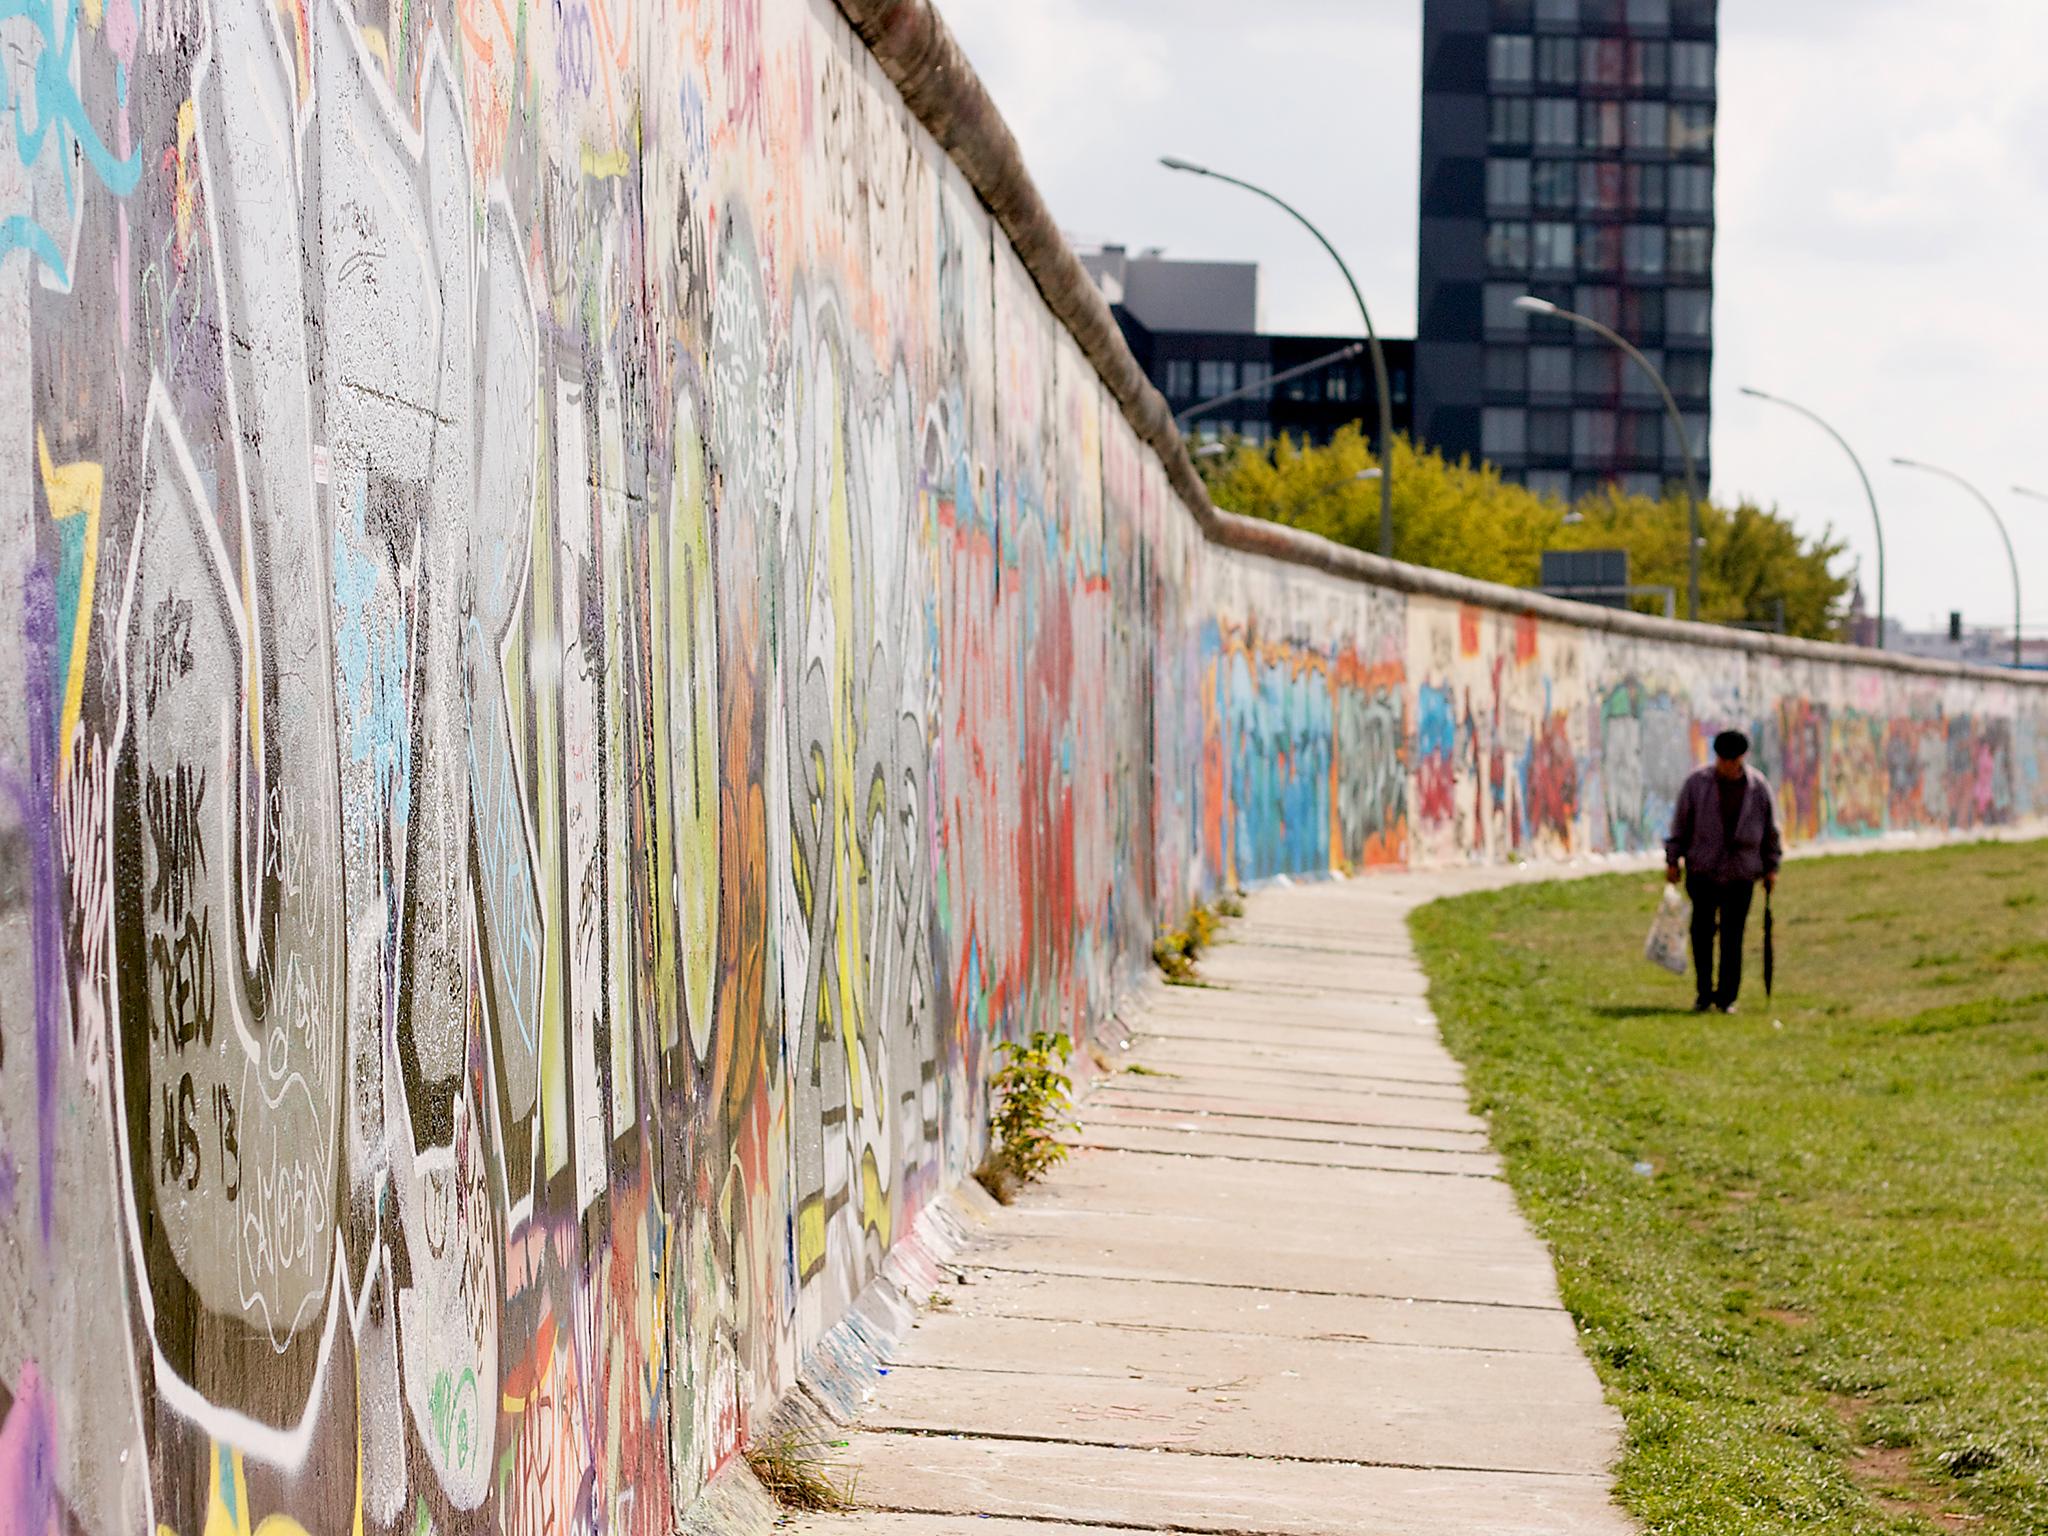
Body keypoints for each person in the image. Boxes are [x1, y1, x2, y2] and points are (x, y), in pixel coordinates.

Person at [1664, 729, 1782, 1014]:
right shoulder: (1696, 784)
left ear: (1741, 758)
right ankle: (1704, 993)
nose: (1727, 765)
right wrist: (1672, 860)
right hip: (1703, 870)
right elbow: (1681, 824)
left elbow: (1770, 831)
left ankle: (1727, 997)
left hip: (1741, 874)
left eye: (1732, 760)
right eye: (1723, 759)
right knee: (1702, 934)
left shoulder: (1758, 787)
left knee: (1733, 936)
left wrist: (1771, 867)